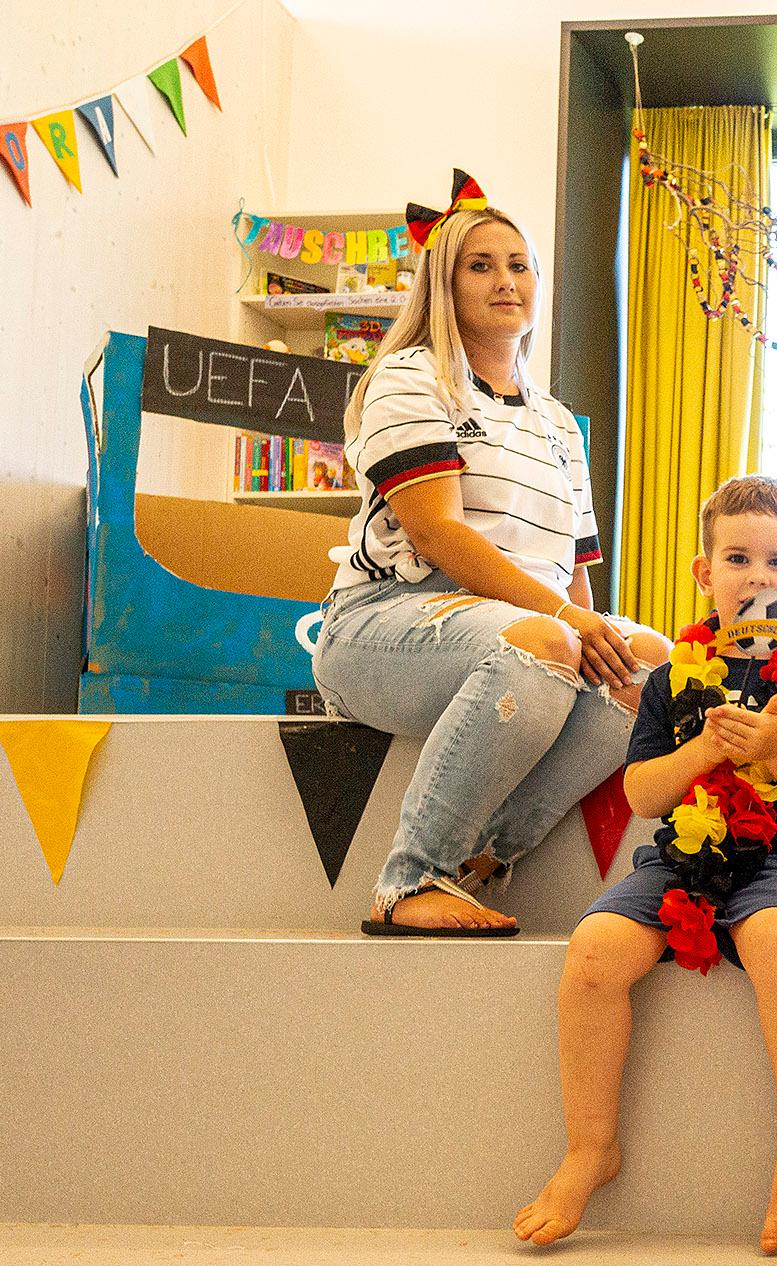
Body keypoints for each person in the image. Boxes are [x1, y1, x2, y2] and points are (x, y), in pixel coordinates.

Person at [514, 477, 777, 1254]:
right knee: (594, 951)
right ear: (705, 574)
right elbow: (642, 792)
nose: (758, 576)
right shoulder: (673, 682)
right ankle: (590, 1147)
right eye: (738, 557)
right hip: (677, 860)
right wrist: (703, 748)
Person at [313, 191, 667, 935]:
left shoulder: (559, 423)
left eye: (520, 265)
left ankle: (482, 867)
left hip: (527, 624)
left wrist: (594, 627)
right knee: (545, 641)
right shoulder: (412, 377)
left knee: (651, 666)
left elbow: (573, 573)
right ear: (444, 285)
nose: (506, 280)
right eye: (481, 266)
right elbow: (438, 533)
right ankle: (409, 882)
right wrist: (568, 621)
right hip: (383, 626)